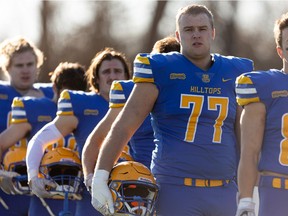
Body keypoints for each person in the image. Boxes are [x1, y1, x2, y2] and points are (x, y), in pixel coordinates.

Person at [91, 4, 254, 216]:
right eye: (188, 29)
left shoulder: (236, 71)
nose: (196, 35)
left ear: (212, 33)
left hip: (225, 188)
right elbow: (123, 126)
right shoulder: (161, 69)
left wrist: (252, 186)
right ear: (178, 35)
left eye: (202, 29)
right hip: (175, 188)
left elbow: (245, 136)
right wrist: (100, 176)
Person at [26, 47, 131, 216]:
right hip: (92, 196)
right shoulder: (81, 104)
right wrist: (33, 175)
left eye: (118, 71)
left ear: (127, 76)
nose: (112, 76)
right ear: (96, 78)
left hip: (135, 194)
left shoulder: (142, 104)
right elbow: (39, 140)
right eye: (106, 72)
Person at [81, 35, 180, 193]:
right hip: (142, 184)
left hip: (187, 182)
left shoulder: (201, 90)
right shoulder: (128, 92)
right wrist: (91, 177)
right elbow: (97, 139)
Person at [0, 61, 87, 215]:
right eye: (66, 95)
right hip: (42, 197)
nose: (69, 102)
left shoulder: (87, 111)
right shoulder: (36, 109)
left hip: (76, 195)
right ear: (55, 88)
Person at [235, 12, 288, 216]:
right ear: (280, 51)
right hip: (277, 191)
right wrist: (246, 200)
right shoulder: (266, 86)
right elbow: (250, 152)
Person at [0, 36, 52, 215]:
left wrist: (43, 103)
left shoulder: (53, 93)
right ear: (7, 68)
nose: (25, 70)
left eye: (30, 64)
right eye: (19, 65)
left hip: (45, 181)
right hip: (7, 182)